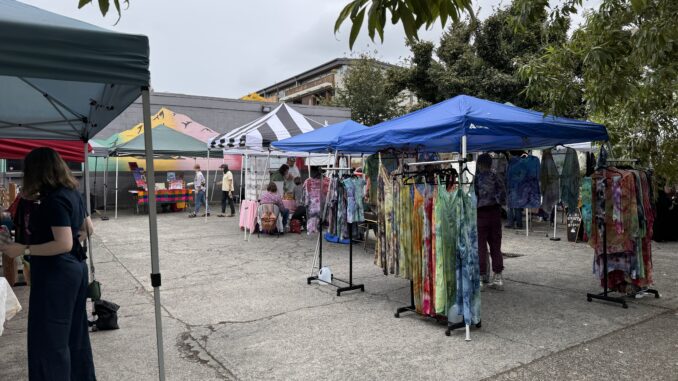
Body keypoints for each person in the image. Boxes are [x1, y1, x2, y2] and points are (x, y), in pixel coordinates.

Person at [0, 147, 96, 380]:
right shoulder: (72, 192)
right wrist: (74, 240)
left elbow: (62, 243)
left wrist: (24, 249)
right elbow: (88, 229)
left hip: (57, 274)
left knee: (49, 340)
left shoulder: (54, 199)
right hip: (74, 270)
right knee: (75, 335)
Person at [475, 153, 507, 291]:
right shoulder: (496, 177)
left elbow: (473, 196)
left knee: (481, 247)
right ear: (491, 164)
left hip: (480, 214)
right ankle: (498, 277)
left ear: (479, 164)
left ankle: (481, 279)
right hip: (495, 213)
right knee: (495, 245)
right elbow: (503, 195)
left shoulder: (476, 179)